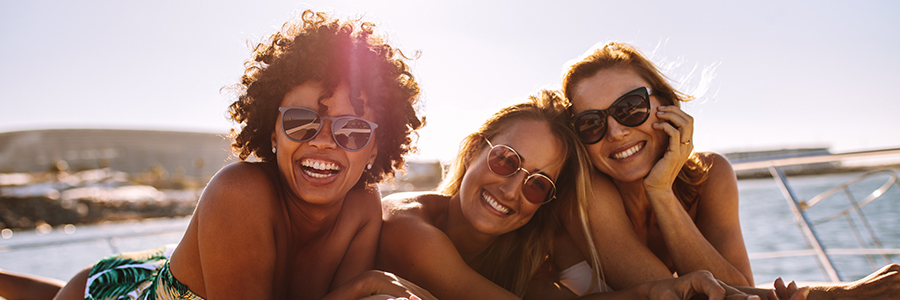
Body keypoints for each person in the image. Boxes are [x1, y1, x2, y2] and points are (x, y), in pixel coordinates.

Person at [0, 10, 432, 300]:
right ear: (272, 131)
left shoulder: (362, 207)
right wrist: (363, 286)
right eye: (301, 122)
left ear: (376, 145)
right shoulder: (239, 192)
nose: (323, 141)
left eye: (352, 130)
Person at [559, 41, 899, 299]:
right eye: (591, 123)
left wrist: (661, 193)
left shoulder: (711, 173)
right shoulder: (585, 193)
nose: (616, 132)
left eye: (631, 107)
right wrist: (840, 294)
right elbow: (688, 295)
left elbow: (739, 289)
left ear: (665, 106)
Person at [375, 90, 783, 300]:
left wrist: (658, 290)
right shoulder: (409, 226)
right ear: (474, 151)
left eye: (538, 184)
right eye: (505, 160)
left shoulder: (517, 249)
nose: (512, 189)